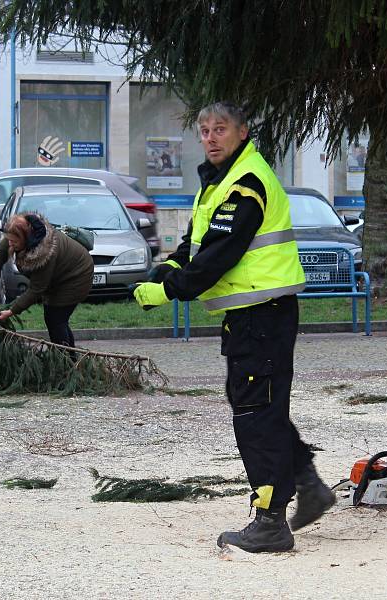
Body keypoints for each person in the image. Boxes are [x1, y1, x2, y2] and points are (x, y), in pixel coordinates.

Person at [133, 101, 335, 553]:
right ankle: (306, 482)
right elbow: (195, 244)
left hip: (262, 314)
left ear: (242, 132)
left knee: (254, 415)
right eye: (204, 130)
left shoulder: (246, 183)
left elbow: (220, 255)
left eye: (220, 129)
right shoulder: (218, 184)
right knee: (261, 408)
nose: (210, 137)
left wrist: (169, 291)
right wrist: (166, 269)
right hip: (253, 315)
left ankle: (270, 521)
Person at [0, 213, 94, 347]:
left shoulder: (45, 253)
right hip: (59, 276)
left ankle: (65, 359)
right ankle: (68, 358)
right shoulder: (16, 234)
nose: (10, 244)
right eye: (8, 240)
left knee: (56, 319)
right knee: (54, 319)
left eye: (14, 242)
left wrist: (12, 310)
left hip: (76, 276)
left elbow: (36, 289)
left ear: (26, 238)